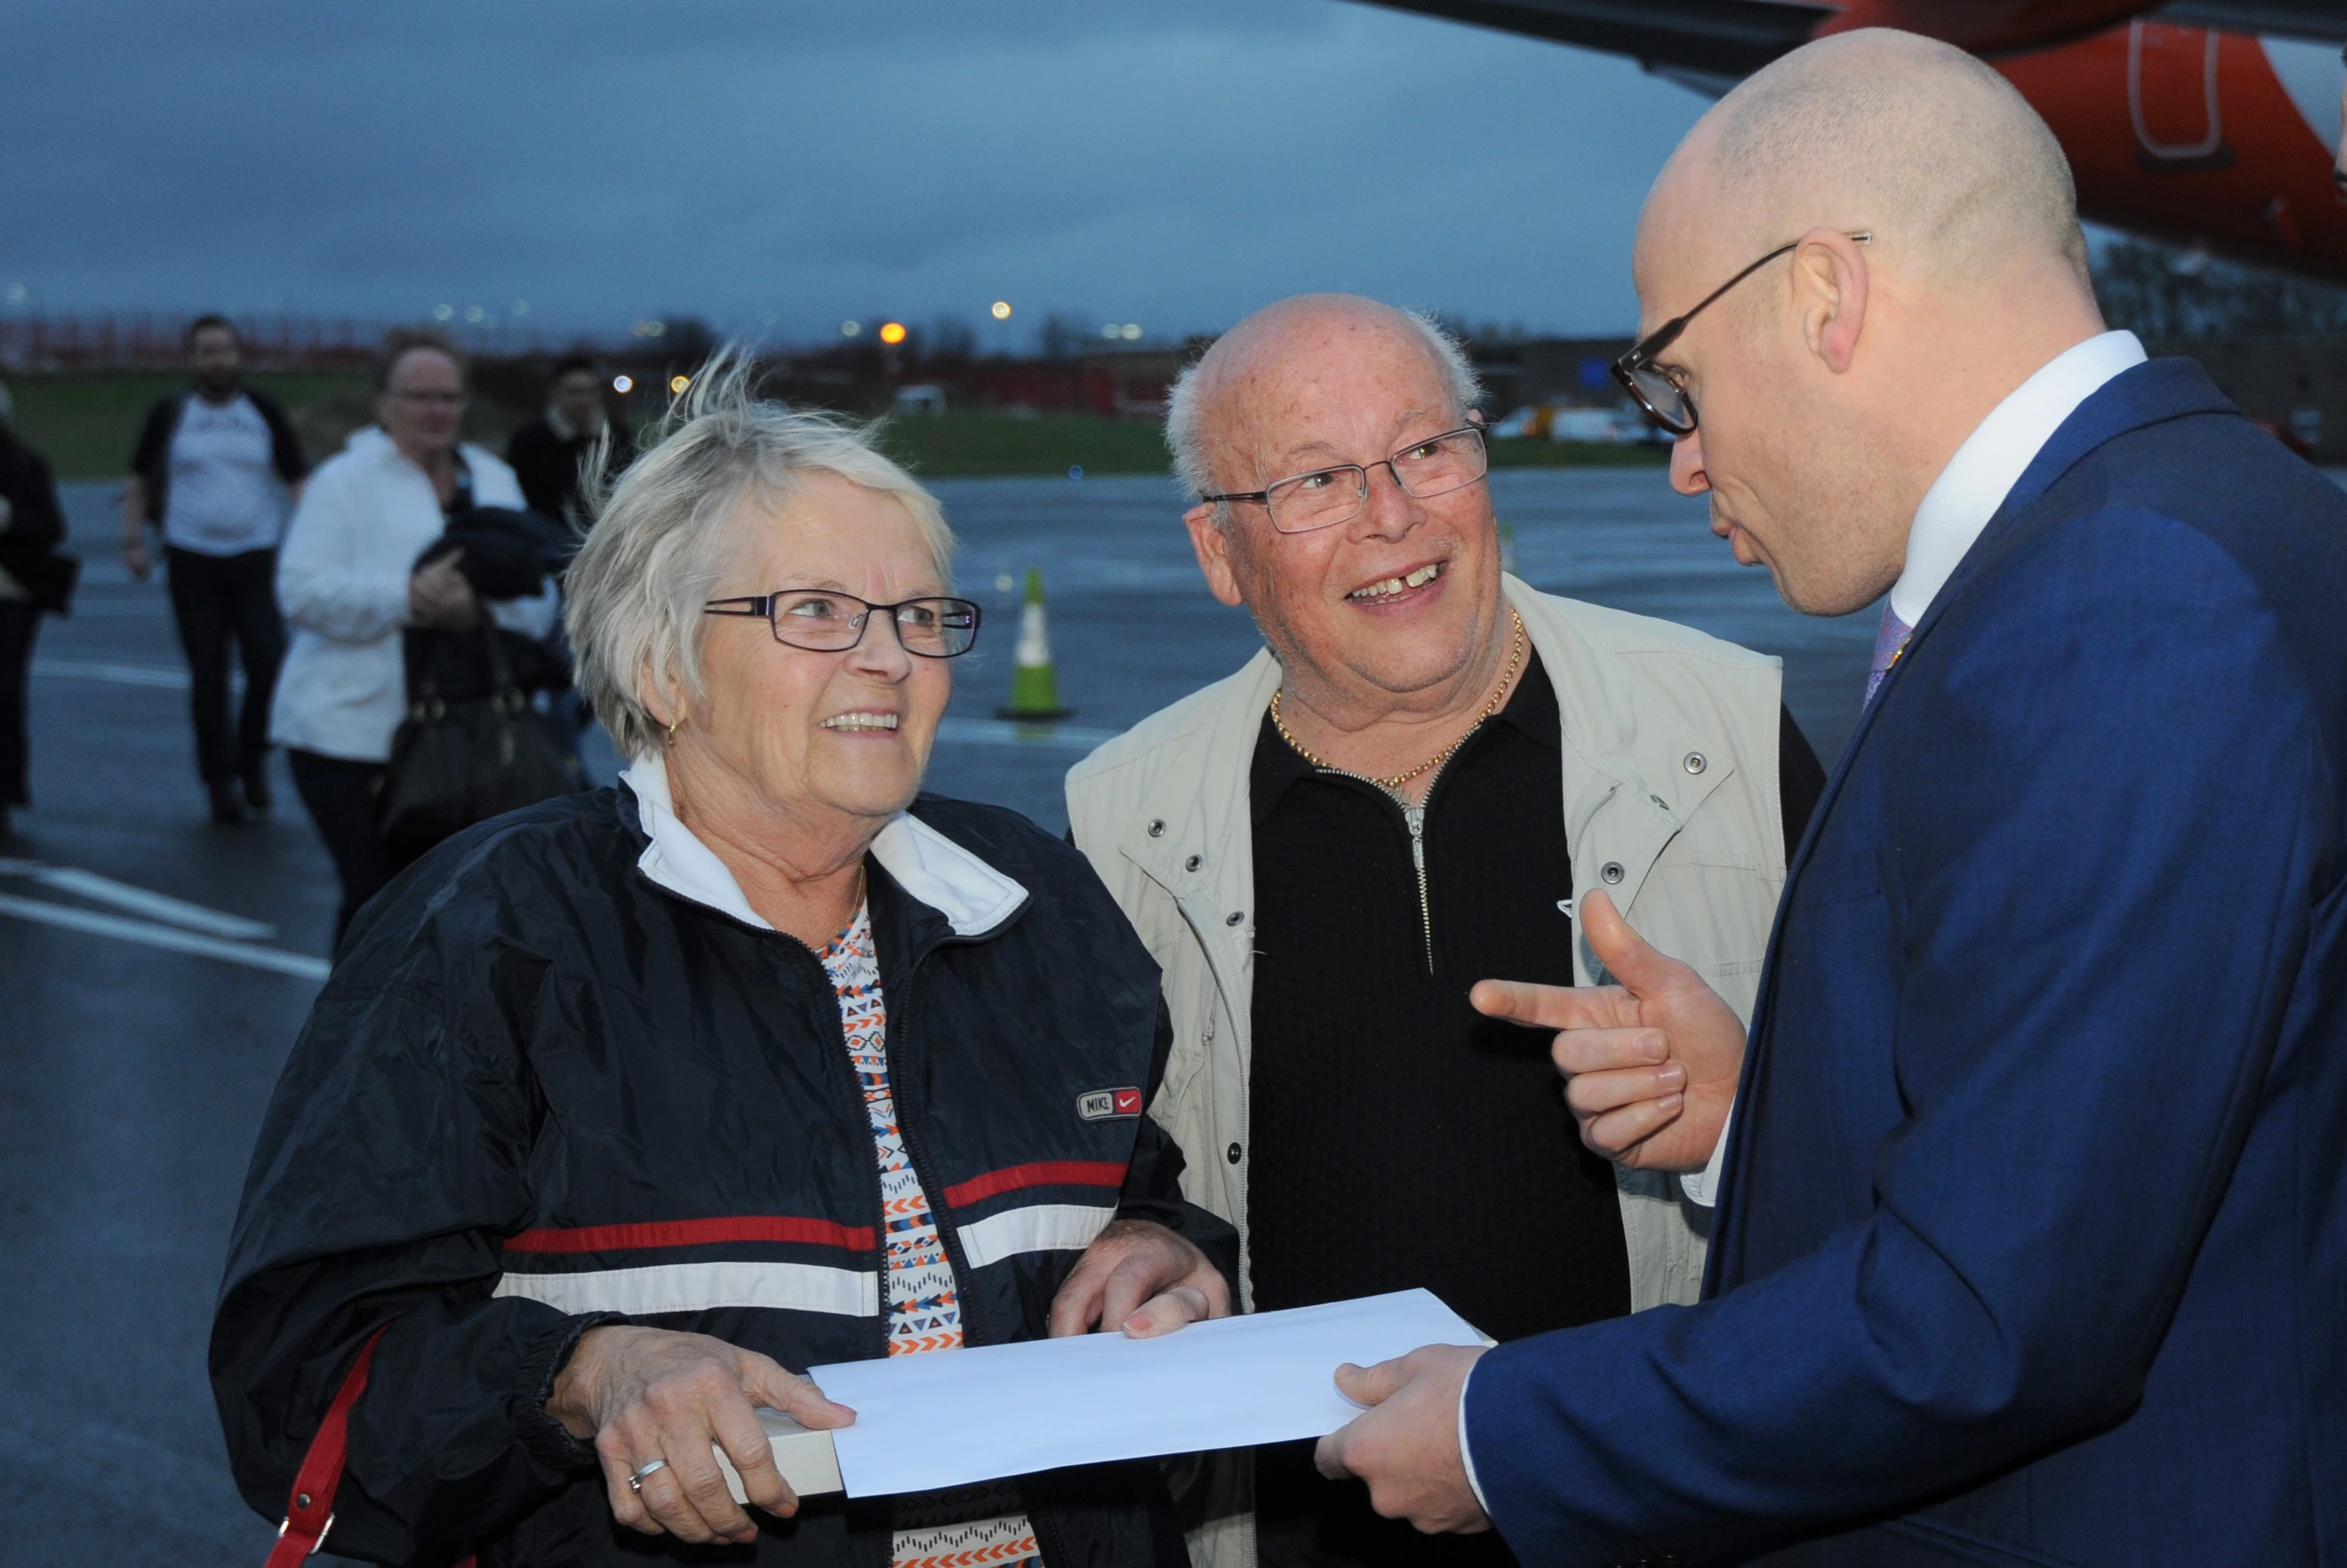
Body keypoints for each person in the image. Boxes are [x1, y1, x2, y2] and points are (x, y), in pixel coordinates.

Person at [1316, 30, 2347, 1568]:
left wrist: (1502, 1427)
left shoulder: (2117, 605)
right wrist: (1759, 1113)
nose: (1679, 459)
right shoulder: (2212, 516)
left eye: (1673, 380)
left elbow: (1992, 1317)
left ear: (1822, 296)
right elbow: (2134, 1129)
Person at [211, 364, 1236, 1568]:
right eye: (814, 611)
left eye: (918, 613)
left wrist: (1168, 1253)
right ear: (661, 665)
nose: (889, 657)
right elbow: (304, 1379)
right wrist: (580, 1374)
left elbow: (1137, 1188)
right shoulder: (486, 933)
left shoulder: (1034, 900)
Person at [1063, 294, 1825, 1568]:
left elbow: (1906, 1149)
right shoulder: (1121, 816)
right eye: (1313, 479)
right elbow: (1118, 1178)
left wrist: (1757, 1100)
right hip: (1301, 1535)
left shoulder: (1729, 730)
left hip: (1662, 1517)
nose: (1393, 516)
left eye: (1426, 449)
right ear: (1217, 552)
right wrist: (1138, 1234)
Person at [270, 326, 558, 944]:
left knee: (464, 914)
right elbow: (301, 591)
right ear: (382, 403)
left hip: (470, 738)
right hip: (350, 740)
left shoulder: (494, 479)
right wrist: (408, 599)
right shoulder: (343, 482)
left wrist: (472, 610)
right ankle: (351, 1035)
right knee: (379, 906)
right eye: (419, 395)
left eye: (449, 397)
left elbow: (541, 601)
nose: (436, 410)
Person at [123, 315, 310, 822]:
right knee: (208, 675)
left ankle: (251, 761)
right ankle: (219, 781)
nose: (217, 360)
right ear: (192, 359)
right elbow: (138, 478)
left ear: (239, 355)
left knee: (268, 663)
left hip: (254, 559)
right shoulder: (172, 411)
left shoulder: (261, 409)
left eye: (225, 350)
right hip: (192, 562)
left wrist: (311, 539)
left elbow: (298, 479)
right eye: (206, 352)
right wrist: (133, 540)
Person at [0, 381, 77, 844]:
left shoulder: (26, 464)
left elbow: (52, 527)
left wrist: (7, 517)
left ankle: (4, 795)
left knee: (5, 694)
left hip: (12, 595)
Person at [506, 352, 634, 527]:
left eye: (591, 391)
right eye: (575, 392)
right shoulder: (530, 439)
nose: (585, 400)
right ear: (555, 393)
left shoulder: (616, 435)